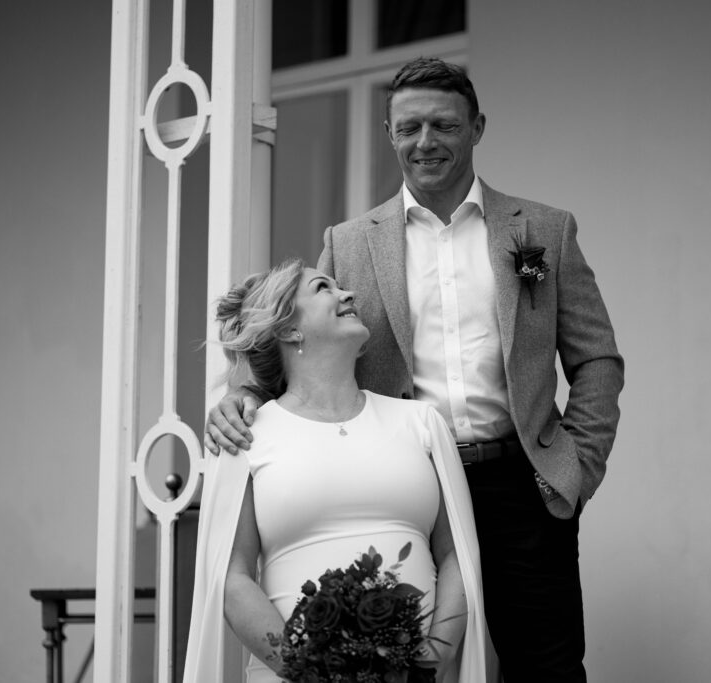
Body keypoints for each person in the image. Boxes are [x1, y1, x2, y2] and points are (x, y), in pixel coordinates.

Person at [206, 57, 624, 682]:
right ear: (389, 133)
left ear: (477, 127)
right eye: (408, 128)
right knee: (413, 667)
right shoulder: (349, 242)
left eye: (443, 125)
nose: (424, 142)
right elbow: (295, 331)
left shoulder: (543, 230)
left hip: (521, 484)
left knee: (549, 667)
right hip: (405, 486)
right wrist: (240, 393)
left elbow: (597, 359)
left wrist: (576, 466)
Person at [183, 258, 490, 683]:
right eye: (323, 288)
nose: (348, 294)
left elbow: (457, 556)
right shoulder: (244, 437)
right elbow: (232, 577)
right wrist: (309, 670)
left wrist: (430, 662)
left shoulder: (420, 422)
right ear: (289, 329)